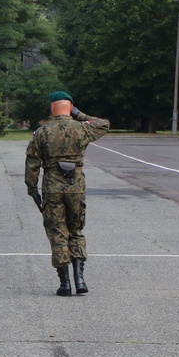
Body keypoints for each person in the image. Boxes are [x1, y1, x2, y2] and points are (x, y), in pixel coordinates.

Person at [25, 91, 110, 296]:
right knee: (76, 231)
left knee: (57, 232)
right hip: (76, 187)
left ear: (52, 108)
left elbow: (32, 163)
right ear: (70, 107)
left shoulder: (42, 132)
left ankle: (65, 283)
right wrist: (79, 114)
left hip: (52, 188)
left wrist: (32, 189)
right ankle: (79, 279)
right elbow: (104, 124)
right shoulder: (82, 128)